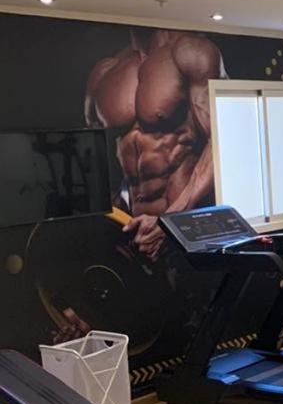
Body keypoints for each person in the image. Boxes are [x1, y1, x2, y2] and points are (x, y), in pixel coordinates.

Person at [84, 29, 226, 259]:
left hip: (185, 231)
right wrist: (117, 227)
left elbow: (221, 141)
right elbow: (96, 163)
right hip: (131, 236)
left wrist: (171, 222)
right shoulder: (103, 73)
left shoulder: (191, 52)